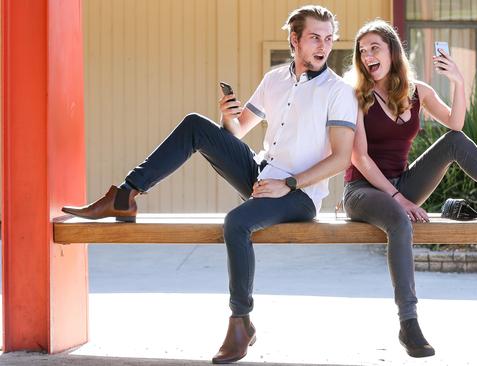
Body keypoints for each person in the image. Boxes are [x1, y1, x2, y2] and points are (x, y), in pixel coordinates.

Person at [62, 5, 357, 364]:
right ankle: (125, 195)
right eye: (314, 37)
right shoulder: (274, 80)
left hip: (299, 194)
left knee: (236, 222)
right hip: (261, 174)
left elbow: (341, 158)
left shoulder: (338, 91)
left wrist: (289, 184)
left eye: (328, 39)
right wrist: (225, 115)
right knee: (195, 125)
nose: (323, 46)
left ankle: (240, 322)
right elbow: (238, 131)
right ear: (294, 40)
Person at [343, 20, 477, 358]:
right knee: (399, 221)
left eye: (374, 47)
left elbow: (456, 124)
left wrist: (458, 81)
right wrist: (399, 198)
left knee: (454, 141)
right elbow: (358, 156)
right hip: (362, 191)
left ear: (392, 52)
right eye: (362, 51)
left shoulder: (417, 91)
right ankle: (409, 322)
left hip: (401, 186)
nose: (367, 55)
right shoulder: (356, 95)